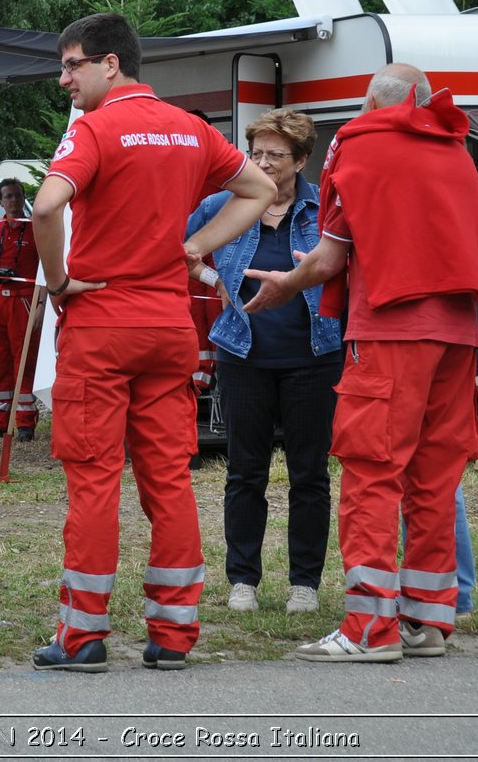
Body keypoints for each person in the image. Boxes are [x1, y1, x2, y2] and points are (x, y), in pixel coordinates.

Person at [30, 12, 274, 674]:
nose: (64, 79)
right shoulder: (191, 128)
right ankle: (173, 632)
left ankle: (81, 637)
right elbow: (261, 188)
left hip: (102, 321)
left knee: (95, 481)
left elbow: (47, 207)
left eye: (72, 64)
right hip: (168, 326)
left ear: (111, 63)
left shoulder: (94, 129)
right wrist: (196, 246)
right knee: (168, 478)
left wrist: (58, 280)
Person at [243, 63, 478, 662]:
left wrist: (288, 283)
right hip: (459, 337)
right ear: (420, 101)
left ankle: (368, 627)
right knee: (435, 480)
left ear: (370, 104)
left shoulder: (360, 153)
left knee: (371, 474)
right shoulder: (455, 152)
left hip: (390, 332)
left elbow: (330, 260)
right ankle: (429, 621)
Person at [184, 109, 342, 615]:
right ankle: (243, 581)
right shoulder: (221, 205)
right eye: (256, 153)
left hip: (315, 356)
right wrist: (219, 286)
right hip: (242, 355)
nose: (264, 163)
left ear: (301, 159)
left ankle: (305, 584)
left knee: (310, 474)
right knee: (245, 472)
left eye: (276, 155)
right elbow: (181, 252)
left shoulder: (326, 208)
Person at [0, 177, 42, 441]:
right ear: (0, 201)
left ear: (23, 199)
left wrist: (40, 304)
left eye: (17, 196)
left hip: (23, 300)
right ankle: (0, 420)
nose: (13, 201)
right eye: (8, 197)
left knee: (24, 360)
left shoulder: (36, 228)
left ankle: (26, 421)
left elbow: (45, 269)